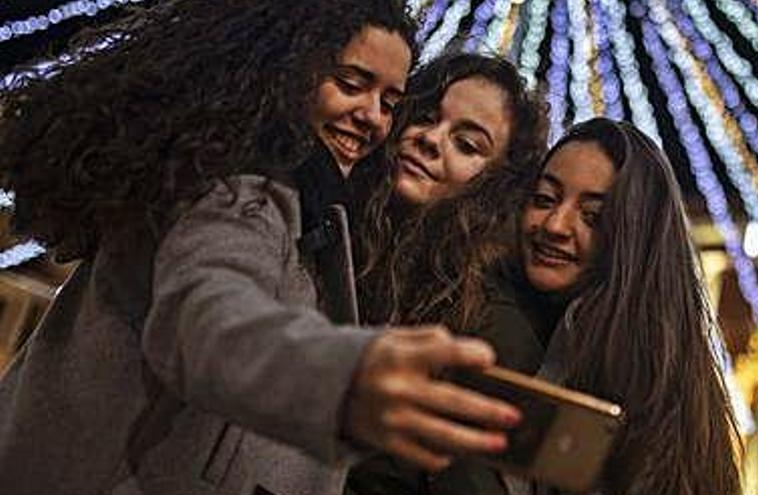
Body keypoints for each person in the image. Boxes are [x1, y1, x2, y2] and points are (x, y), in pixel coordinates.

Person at [0, 2, 519, 494]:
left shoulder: (318, 205)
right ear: (289, 67)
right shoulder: (239, 187)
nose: (373, 117)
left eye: (389, 102)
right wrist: (343, 381)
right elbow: (212, 317)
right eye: (351, 84)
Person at [348, 52, 550, 495]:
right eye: (425, 117)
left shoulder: (490, 327)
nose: (431, 139)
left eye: (467, 144)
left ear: (496, 185)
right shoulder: (331, 230)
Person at [507, 118, 742, 494]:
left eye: (593, 217)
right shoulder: (514, 319)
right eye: (545, 199)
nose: (555, 225)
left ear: (632, 237)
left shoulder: (630, 372)